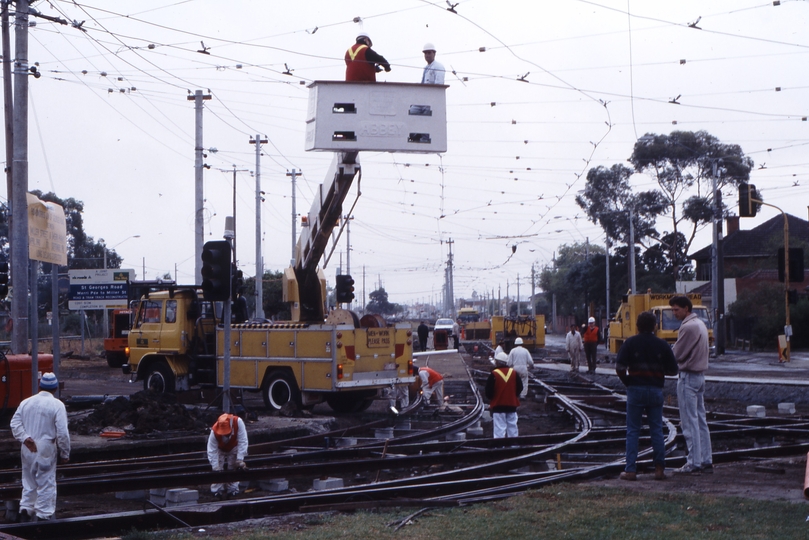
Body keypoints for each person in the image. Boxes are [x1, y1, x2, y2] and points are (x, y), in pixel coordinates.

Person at [615, 311, 678, 481]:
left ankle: (630, 470)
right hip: (656, 389)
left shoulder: (630, 343)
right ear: (654, 326)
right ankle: (659, 469)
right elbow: (673, 370)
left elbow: (620, 367)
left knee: (633, 431)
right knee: (656, 430)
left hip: (635, 389)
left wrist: (628, 382)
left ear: (637, 326)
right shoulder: (662, 345)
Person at [10, 372, 70, 522]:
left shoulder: (26, 402)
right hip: (46, 448)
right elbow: (62, 433)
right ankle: (42, 520)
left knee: (28, 483)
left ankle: (25, 514)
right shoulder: (57, 405)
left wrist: (24, 438)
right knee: (46, 484)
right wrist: (65, 453)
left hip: (28, 447)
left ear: (39, 386)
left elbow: (14, 423)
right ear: (55, 388)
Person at [669, 295, 713, 474]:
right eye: (672, 309)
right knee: (701, 420)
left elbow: (676, 354)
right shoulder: (701, 324)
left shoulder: (688, 327)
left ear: (686, 308)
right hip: (700, 376)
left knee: (689, 421)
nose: (674, 313)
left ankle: (693, 462)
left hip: (688, 377)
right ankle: (706, 459)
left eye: (676, 309)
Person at [207, 413, 249, 499]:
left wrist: (239, 459)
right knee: (218, 467)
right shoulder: (214, 431)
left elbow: (243, 440)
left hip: (233, 446)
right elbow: (212, 451)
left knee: (232, 467)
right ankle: (216, 491)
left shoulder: (238, 422)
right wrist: (215, 468)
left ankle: (233, 490)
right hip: (220, 448)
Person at [485, 356, 523, 438]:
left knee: (499, 429)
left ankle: (499, 447)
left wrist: (492, 399)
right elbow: (520, 387)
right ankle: (513, 446)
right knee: (512, 427)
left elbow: (488, 391)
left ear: (497, 362)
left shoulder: (494, 374)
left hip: (498, 405)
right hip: (512, 405)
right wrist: (513, 396)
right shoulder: (513, 373)